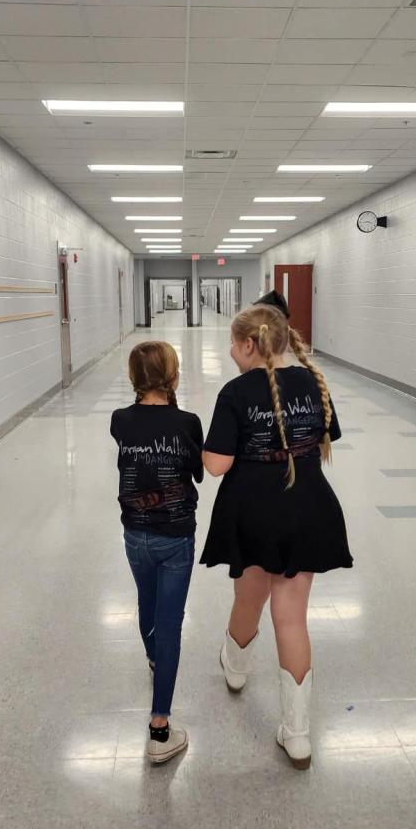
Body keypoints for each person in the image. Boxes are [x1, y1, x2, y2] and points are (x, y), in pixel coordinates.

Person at [200, 304, 352, 769]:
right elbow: (329, 433)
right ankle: (298, 734)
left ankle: (237, 667)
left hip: (254, 511)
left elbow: (217, 464)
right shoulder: (312, 382)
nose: (230, 351)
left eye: (232, 343)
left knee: (249, 598)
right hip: (308, 506)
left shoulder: (236, 392)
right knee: (292, 618)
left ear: (249, 345)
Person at [110, 341, 203, 764]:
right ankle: (160, 728)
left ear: (134, 379)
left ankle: (153, 659)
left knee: (146, 603)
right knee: (171, 624)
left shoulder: (120, 421)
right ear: (173, 377)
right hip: (175, 537)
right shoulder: (188, 423)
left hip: (135, 536)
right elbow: (198, 473)